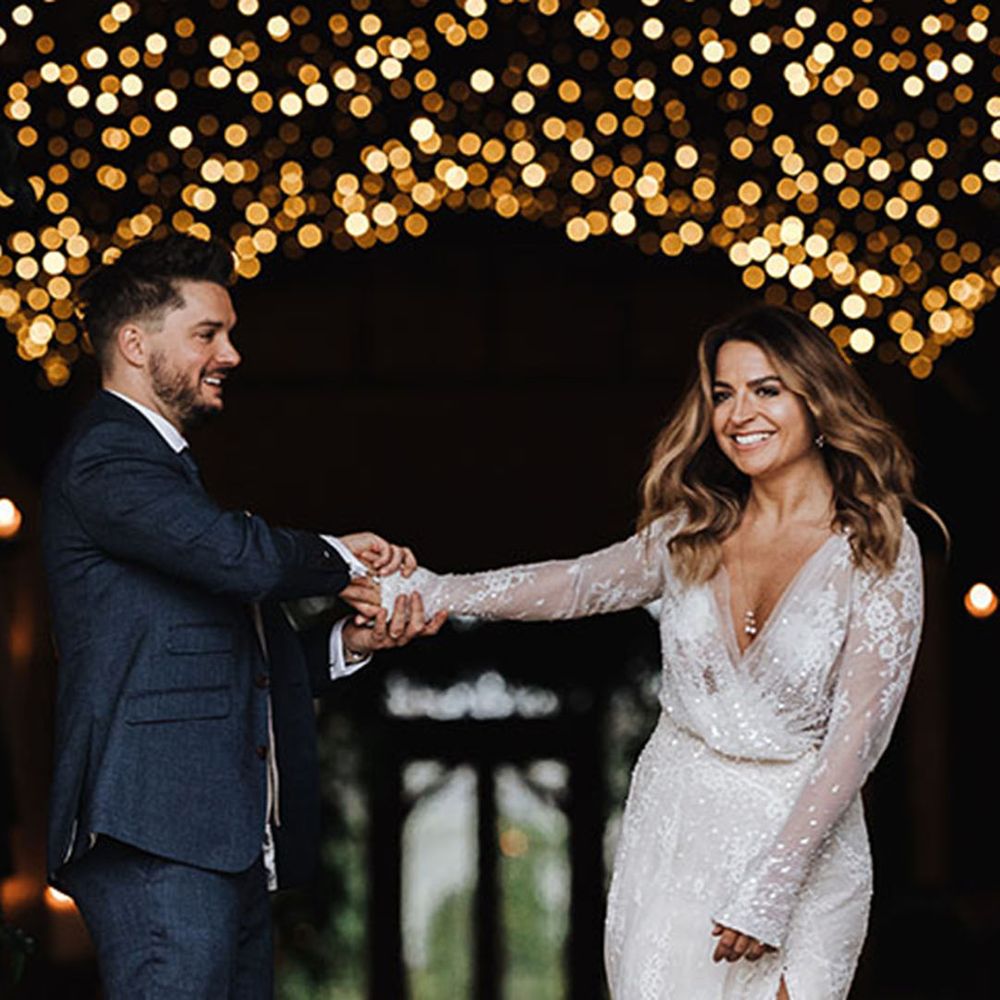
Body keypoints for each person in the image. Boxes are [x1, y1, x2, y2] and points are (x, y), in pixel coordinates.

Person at [378, 305, 941, 999]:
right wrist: (437, 590)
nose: (740, 414)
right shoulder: (692, 534)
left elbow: (860, 734)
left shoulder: (878, 545)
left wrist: (773, 884)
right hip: (676, 832)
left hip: (802, 844)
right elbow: (574, 583)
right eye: (722, 394)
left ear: (817, 400)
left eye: (766, 390)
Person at [41, 234, 446, 999]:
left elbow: (227, 651)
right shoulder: (107, 456)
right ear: (134, 342)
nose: (231, 354)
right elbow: (243, 560)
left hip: (216, 846)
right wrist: (344, 556)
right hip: (156, 835)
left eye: (228, 334)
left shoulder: (163, 469)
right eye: (208, 334)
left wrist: (346, 641)